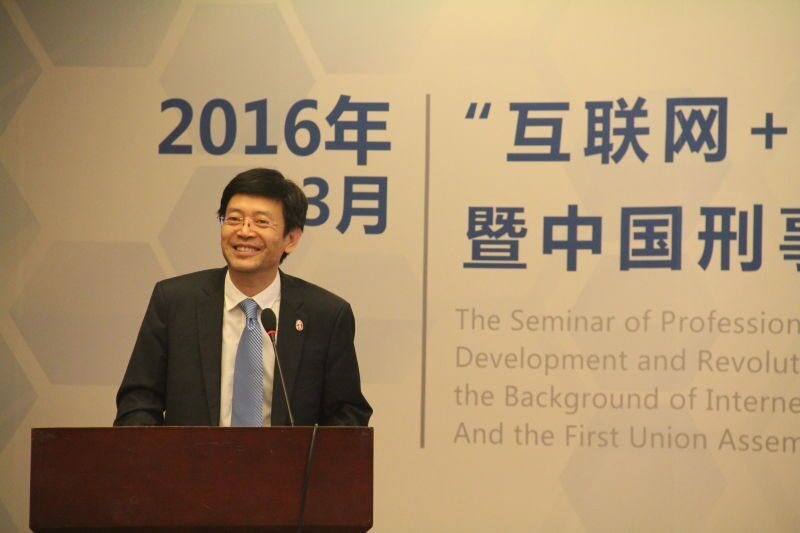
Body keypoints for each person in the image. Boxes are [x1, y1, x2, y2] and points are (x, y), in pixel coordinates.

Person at [114, 168, 372, 427]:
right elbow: (138, 401)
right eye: (234, 219)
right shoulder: (174, 302)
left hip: (285, 455)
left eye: (261, 222)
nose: (244, 231)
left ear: (291, 239)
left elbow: (347, 415)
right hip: (191, 455)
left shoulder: (326, 315)